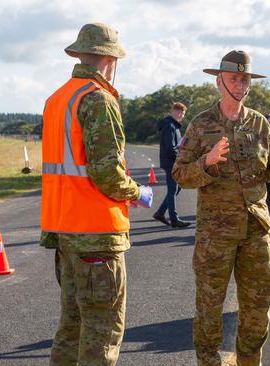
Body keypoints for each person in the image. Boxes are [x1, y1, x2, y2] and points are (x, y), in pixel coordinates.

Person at [172, 50, 270, 366]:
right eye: (234, 78)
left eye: (245, 79)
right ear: (219, 81)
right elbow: (179, 174)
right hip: (215, 235)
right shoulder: (200, 125)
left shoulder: (258, 123)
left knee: (258, 304)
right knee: (209, 306)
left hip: (256, 231)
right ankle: (209, 360)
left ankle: (248, 360)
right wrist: (207, 162)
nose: (240, 85)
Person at [40, 22, 153, 365]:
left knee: (71, 328)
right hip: (97, 236)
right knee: (102, 333)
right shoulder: (98, 99)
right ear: (110, 60)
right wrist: (138, 192)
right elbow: (105, 172)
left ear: (80, 53)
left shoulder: (57, 99)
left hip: (64, 233)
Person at [153, 102, 190, 228]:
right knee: (173, 189)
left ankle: (160, 213)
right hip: (170, 162)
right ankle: (174, 219)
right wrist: (181, 160)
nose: (181, 115)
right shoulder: (170, 126)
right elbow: (170, 148)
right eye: (179, 112)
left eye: (183, 114)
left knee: (176, 188)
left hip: (171, 161)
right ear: (174, 111)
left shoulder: (173, 126)